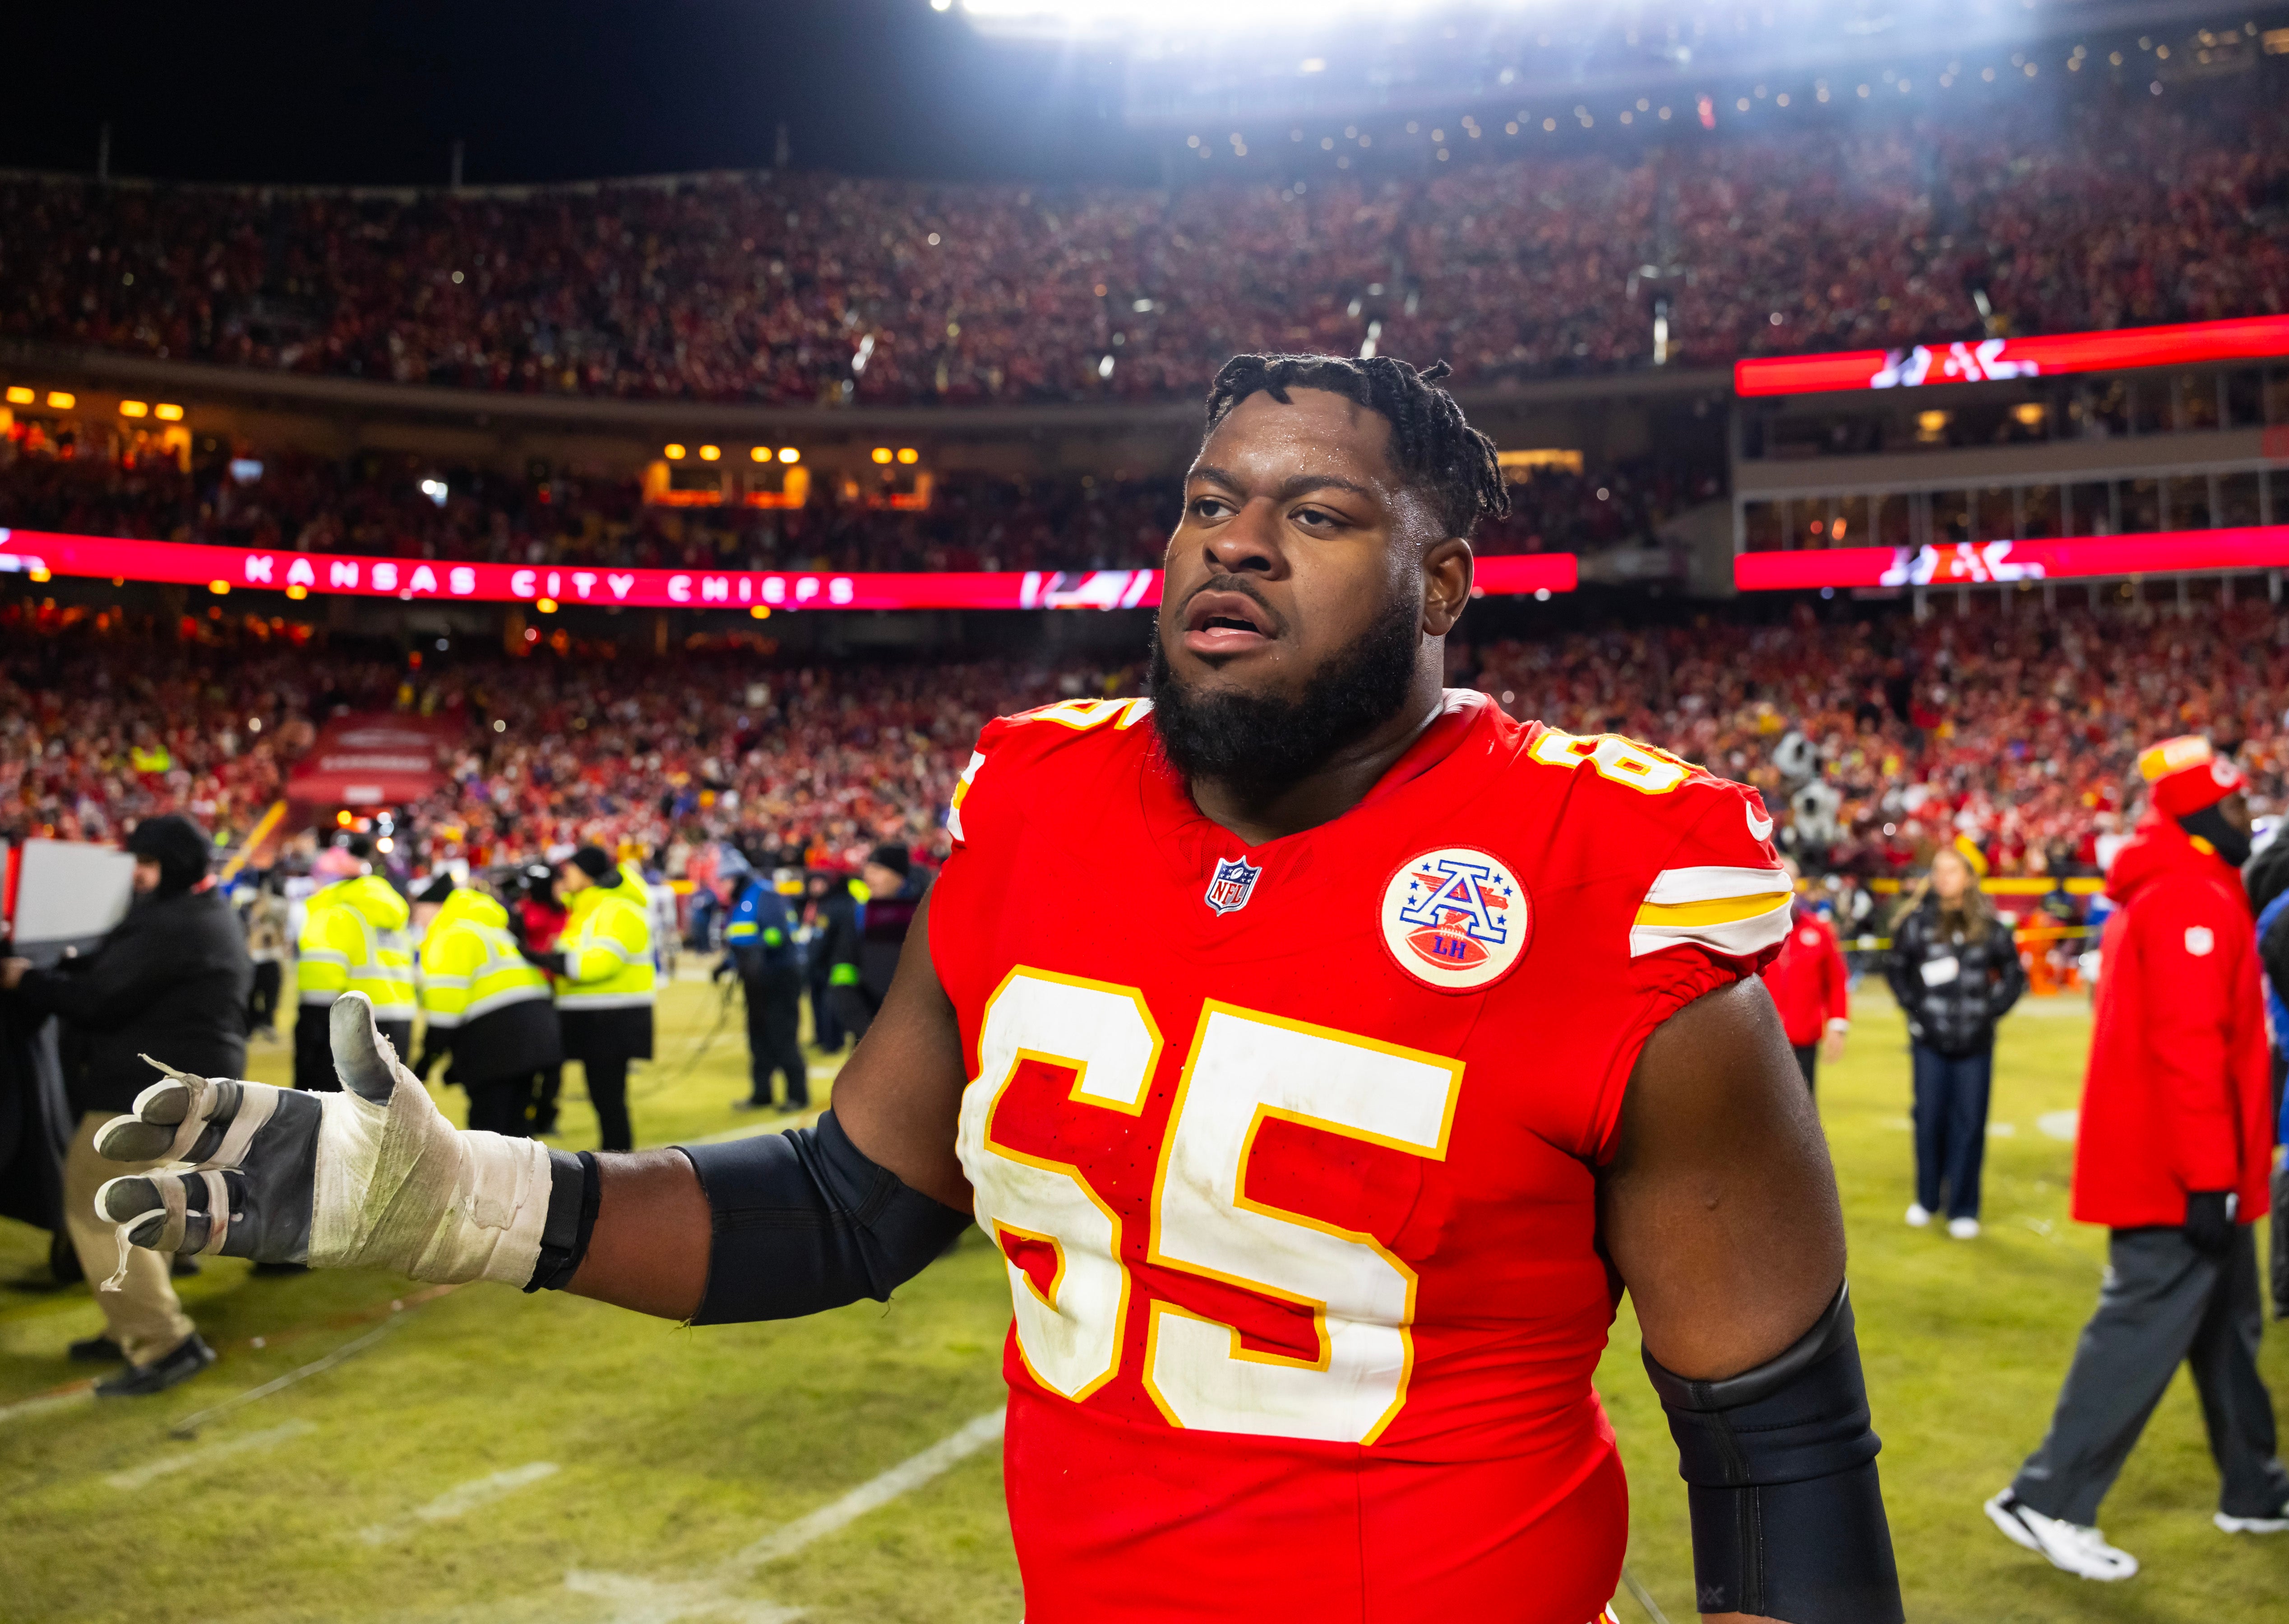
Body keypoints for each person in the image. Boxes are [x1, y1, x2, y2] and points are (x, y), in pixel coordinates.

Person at [92, 353, 1901, 1624]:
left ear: (1444, 580)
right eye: (1206, 498)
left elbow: (1774, 1464)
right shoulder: (1032, 804)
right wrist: (460, 1198)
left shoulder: (1597, 874)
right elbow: (846, 1200)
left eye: (1315, 510)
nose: (1234, 537)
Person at [1988, 736, 2289, 1578]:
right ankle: (2046, 1496)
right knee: (2140, 1322)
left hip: (2194, 1158)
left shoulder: (2182, 886)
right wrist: (2206, 1176)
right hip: (2177, 1165)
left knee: (2228, 1326)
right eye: (2231, 807)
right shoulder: (2188, 896)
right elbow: (2190, 1049)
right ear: (2197, 814)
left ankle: (2252, 1487)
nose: (2244, 821)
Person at [2, 814, 245, 1396]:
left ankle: (164, 1340)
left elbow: (99, 1000)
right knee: (135, 1209)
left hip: (146, 1089)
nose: (132, 875)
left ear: (163, 865)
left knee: (96, 1202)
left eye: (141, 861)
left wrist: (25, 978)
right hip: (181, 1085)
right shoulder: (200, 914)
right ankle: (129, 1322)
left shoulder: (171, 924)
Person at [1884, 838, 2025, 1239]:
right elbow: (1896, 971)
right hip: (1929, 1041)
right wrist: (1918, 1013)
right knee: (1928, 1120)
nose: (1942, 878)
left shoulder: (1990, 926)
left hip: (1975, 1045)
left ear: (1968, 878)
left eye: (1951, 870)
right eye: (1938, 870)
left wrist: (1990, 1011)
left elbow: (2014, 975)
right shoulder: (1914, 923)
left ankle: (1964, 1207)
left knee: (1969, 1124)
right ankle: (1927, 1199)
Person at [412, 874, 562, 1136]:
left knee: (489, 1132)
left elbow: (445, 1010)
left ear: (435, 907)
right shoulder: (487, 928)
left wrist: (427, 1060)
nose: (417, 920)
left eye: (419, 912)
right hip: (535, 1032)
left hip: (498, 1041)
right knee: (519, 1129)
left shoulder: (451, 934)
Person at [527, 846, 653, 1153]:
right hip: (595, 1018)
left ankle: (622, 1168)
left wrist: (555, 962)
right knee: (603, 1098)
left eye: (570, 867)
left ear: (586, 874)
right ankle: (617, 1164)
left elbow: (602, 962)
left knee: (609, 1099)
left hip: (612, 1019)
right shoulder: (587, 908)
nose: (565, 874)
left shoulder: (615, 908)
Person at [293, 842, 415, 1093]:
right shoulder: (388, 913)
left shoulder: (333, 914)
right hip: (398, 1026)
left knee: (335, 1122)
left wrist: (307, 1047)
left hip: (351, 1031)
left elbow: (320, 990)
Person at [719, 859, 809, 1112]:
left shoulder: (765, 894)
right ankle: (762, 1093)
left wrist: (757, 953)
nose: (723, 887)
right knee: (758, 1038)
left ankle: (798, 1095)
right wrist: (727, 965)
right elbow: (742, 939)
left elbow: (777, 934)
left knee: (782, 1035)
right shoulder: (744, 900)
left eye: (725, 880)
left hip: (778, 977)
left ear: (736, 878)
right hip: (756, 981)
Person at [823, 843, 929, 1042]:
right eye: (867, 871)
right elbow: (843, 970)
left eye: (878, 870)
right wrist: (863, 1026)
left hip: (922, 1035)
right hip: (869, 1032)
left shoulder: (926, 914)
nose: (868, 879)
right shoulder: (859, 915)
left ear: (900, 876)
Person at [1762, 857, 1850, 1093]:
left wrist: (1838, 1024)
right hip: (1759, 1042)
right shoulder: (1753, 932)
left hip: (1804, 1039)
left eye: (1789, 878)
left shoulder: (1819, 931)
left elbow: (1836, 980)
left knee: (1802, 1114)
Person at [513, 862, 571, 1134]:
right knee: (532, 1060)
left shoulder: (566, 909)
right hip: (532, 993)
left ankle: (546, 1114)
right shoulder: (522, 912)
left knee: (554, 1062)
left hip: (559, 991)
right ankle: (528, 1113)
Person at [800, 869, 858, 1053]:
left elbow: (823, 937)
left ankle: (831, 1042)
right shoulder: (824, 904)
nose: (816, 887)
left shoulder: (831, 906)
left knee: (828, 1004)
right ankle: (822, 1037)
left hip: (828, 963)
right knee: (818, 1001)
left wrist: (812, 959)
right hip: (824, 961)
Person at [243, 876, 289, 1043]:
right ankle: (251, 1026)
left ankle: (266, 1023)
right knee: (252, 996)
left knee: (271, 995)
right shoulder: (254, 904)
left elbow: (281, 926)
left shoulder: (276, 906)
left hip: (270, 958)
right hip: (255, 958)